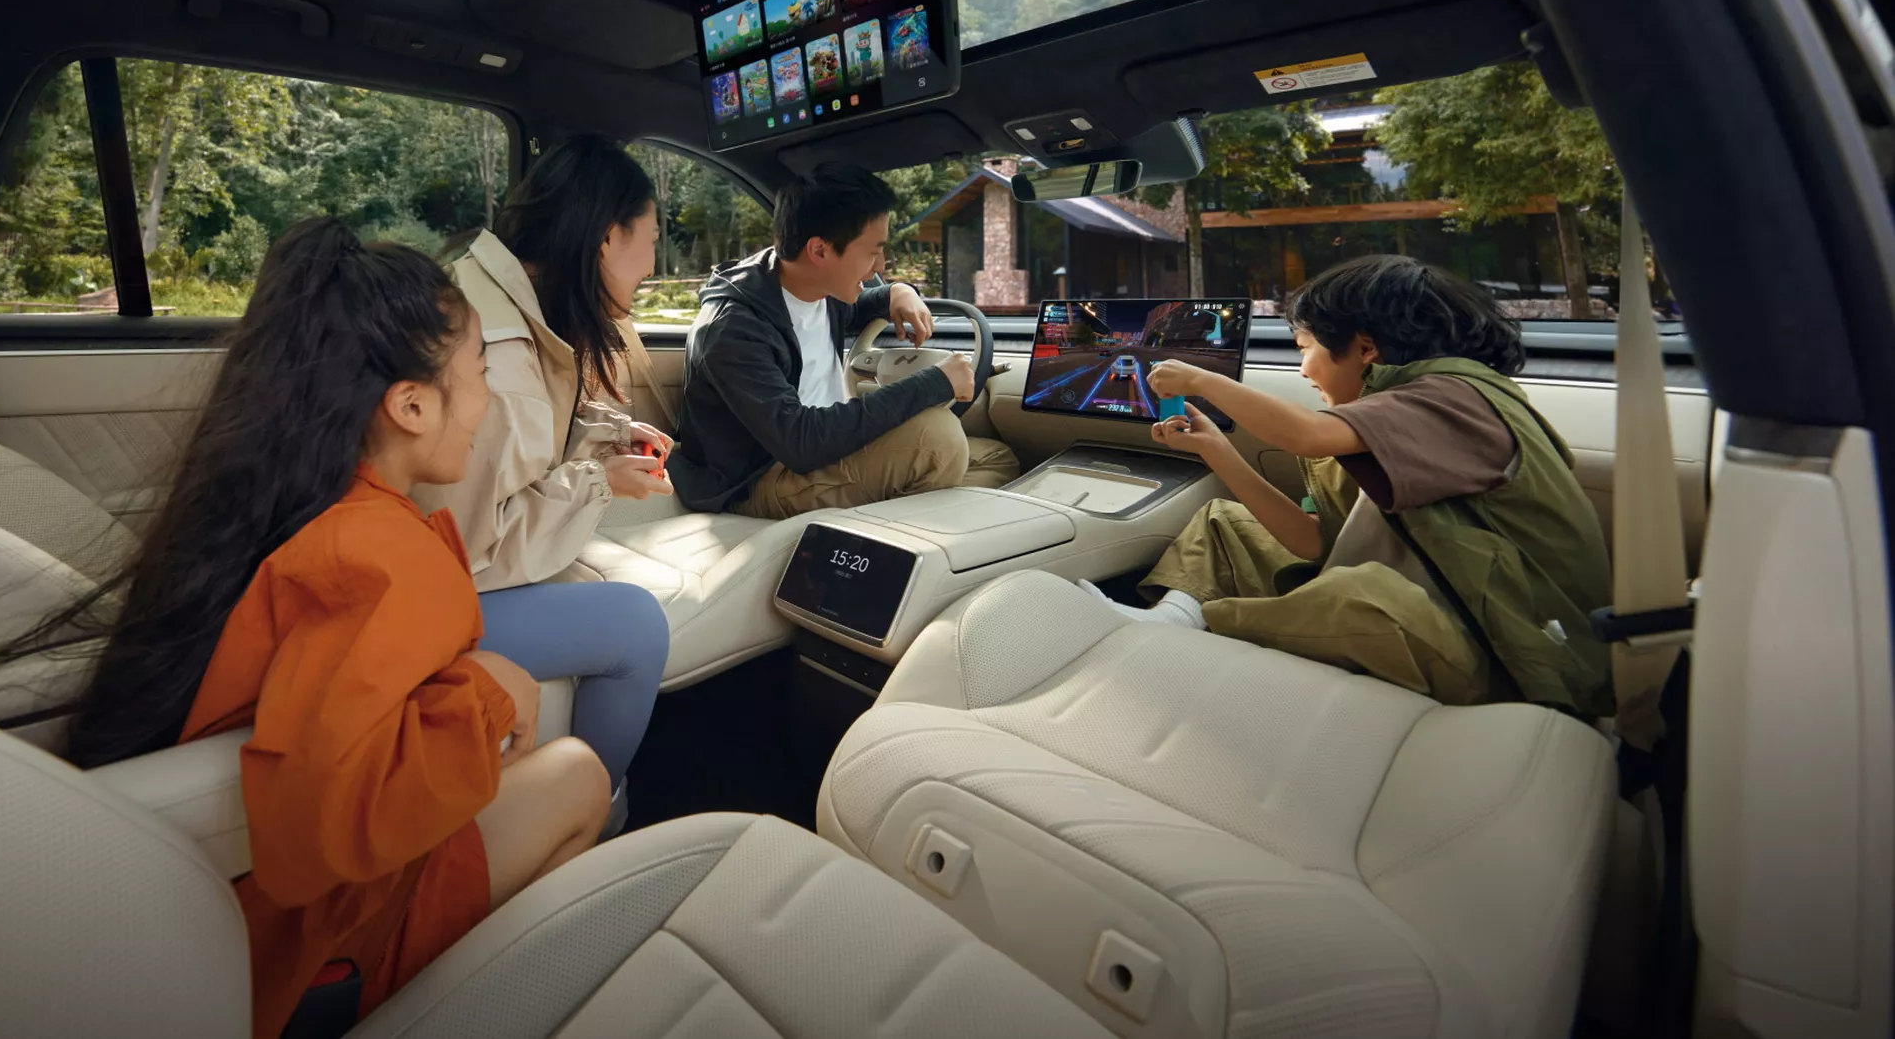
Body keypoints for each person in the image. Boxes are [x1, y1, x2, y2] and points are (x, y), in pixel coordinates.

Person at [1, 218, 611, 1037]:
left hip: (219, 914)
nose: (488, 398)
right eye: (479, 372)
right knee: (580, 776)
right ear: (411, 404)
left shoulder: (292, 505)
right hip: (313, 946)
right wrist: (488, 692)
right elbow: (331, 812)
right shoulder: (380, 552)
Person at [1083, 253, 1613, 716]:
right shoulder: (1380, 415)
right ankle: (1174, 621)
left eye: (1304, 347)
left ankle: (1176, 641)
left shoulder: (1458, 398)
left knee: (1356, 596)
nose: (1302, 370)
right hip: (1445, 605)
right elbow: (1313, 541)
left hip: (1518, 654)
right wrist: (1217, 450)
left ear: (1365, 348)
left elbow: (1306, 435)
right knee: (1227, 522)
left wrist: (1200, 380)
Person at [414, 135, 675, 826]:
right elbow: (468, 550)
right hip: (430, 598)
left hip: (425, 574)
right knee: (638, 627)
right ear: (608, 236)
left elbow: (518, 450)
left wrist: (605, 439)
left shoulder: (489, 296)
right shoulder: (497, 358)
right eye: (651, 238)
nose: (653, 263)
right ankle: (591, 817)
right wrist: (598, 482)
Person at [669, 162, 1019, 517]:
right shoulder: (732, 330)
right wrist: (934, 383)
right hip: (761, 477)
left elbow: (859, 307)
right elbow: (800, 441)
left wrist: (897, 292)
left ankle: (909, 523)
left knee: (995, 457)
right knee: (938, 438)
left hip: (824, 449)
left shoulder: (816, 288)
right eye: (873, 251)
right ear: (820, 251)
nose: (880, 266)